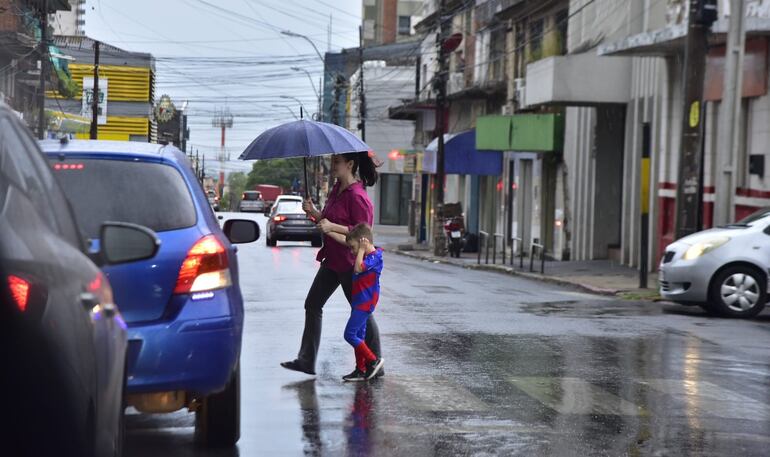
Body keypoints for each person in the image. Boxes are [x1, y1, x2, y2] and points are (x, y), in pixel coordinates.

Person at [281, 151, 382, 376]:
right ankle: (306, 360)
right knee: (313, 304)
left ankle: (375, 362)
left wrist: (331, 227)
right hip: (332, 260)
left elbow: (364, 233)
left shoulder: (358, 196)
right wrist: (314, 213)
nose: (332, 165)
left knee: (361, 312)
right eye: (331, 161)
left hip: (350, 263)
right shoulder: (337, 190)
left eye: (336, 162)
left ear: (350, 164)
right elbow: (327, 221)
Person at [341, 224, 384, 382]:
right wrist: (360, 249)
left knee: (349, 334)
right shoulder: (367, 256)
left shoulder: (375, 257)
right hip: (358, 301)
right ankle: (361, 369)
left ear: (363, 242)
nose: (352, 252)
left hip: (365, 303)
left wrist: (360, 250)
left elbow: (358, 268)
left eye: (353, 248)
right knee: (359, 335)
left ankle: (373, 360)